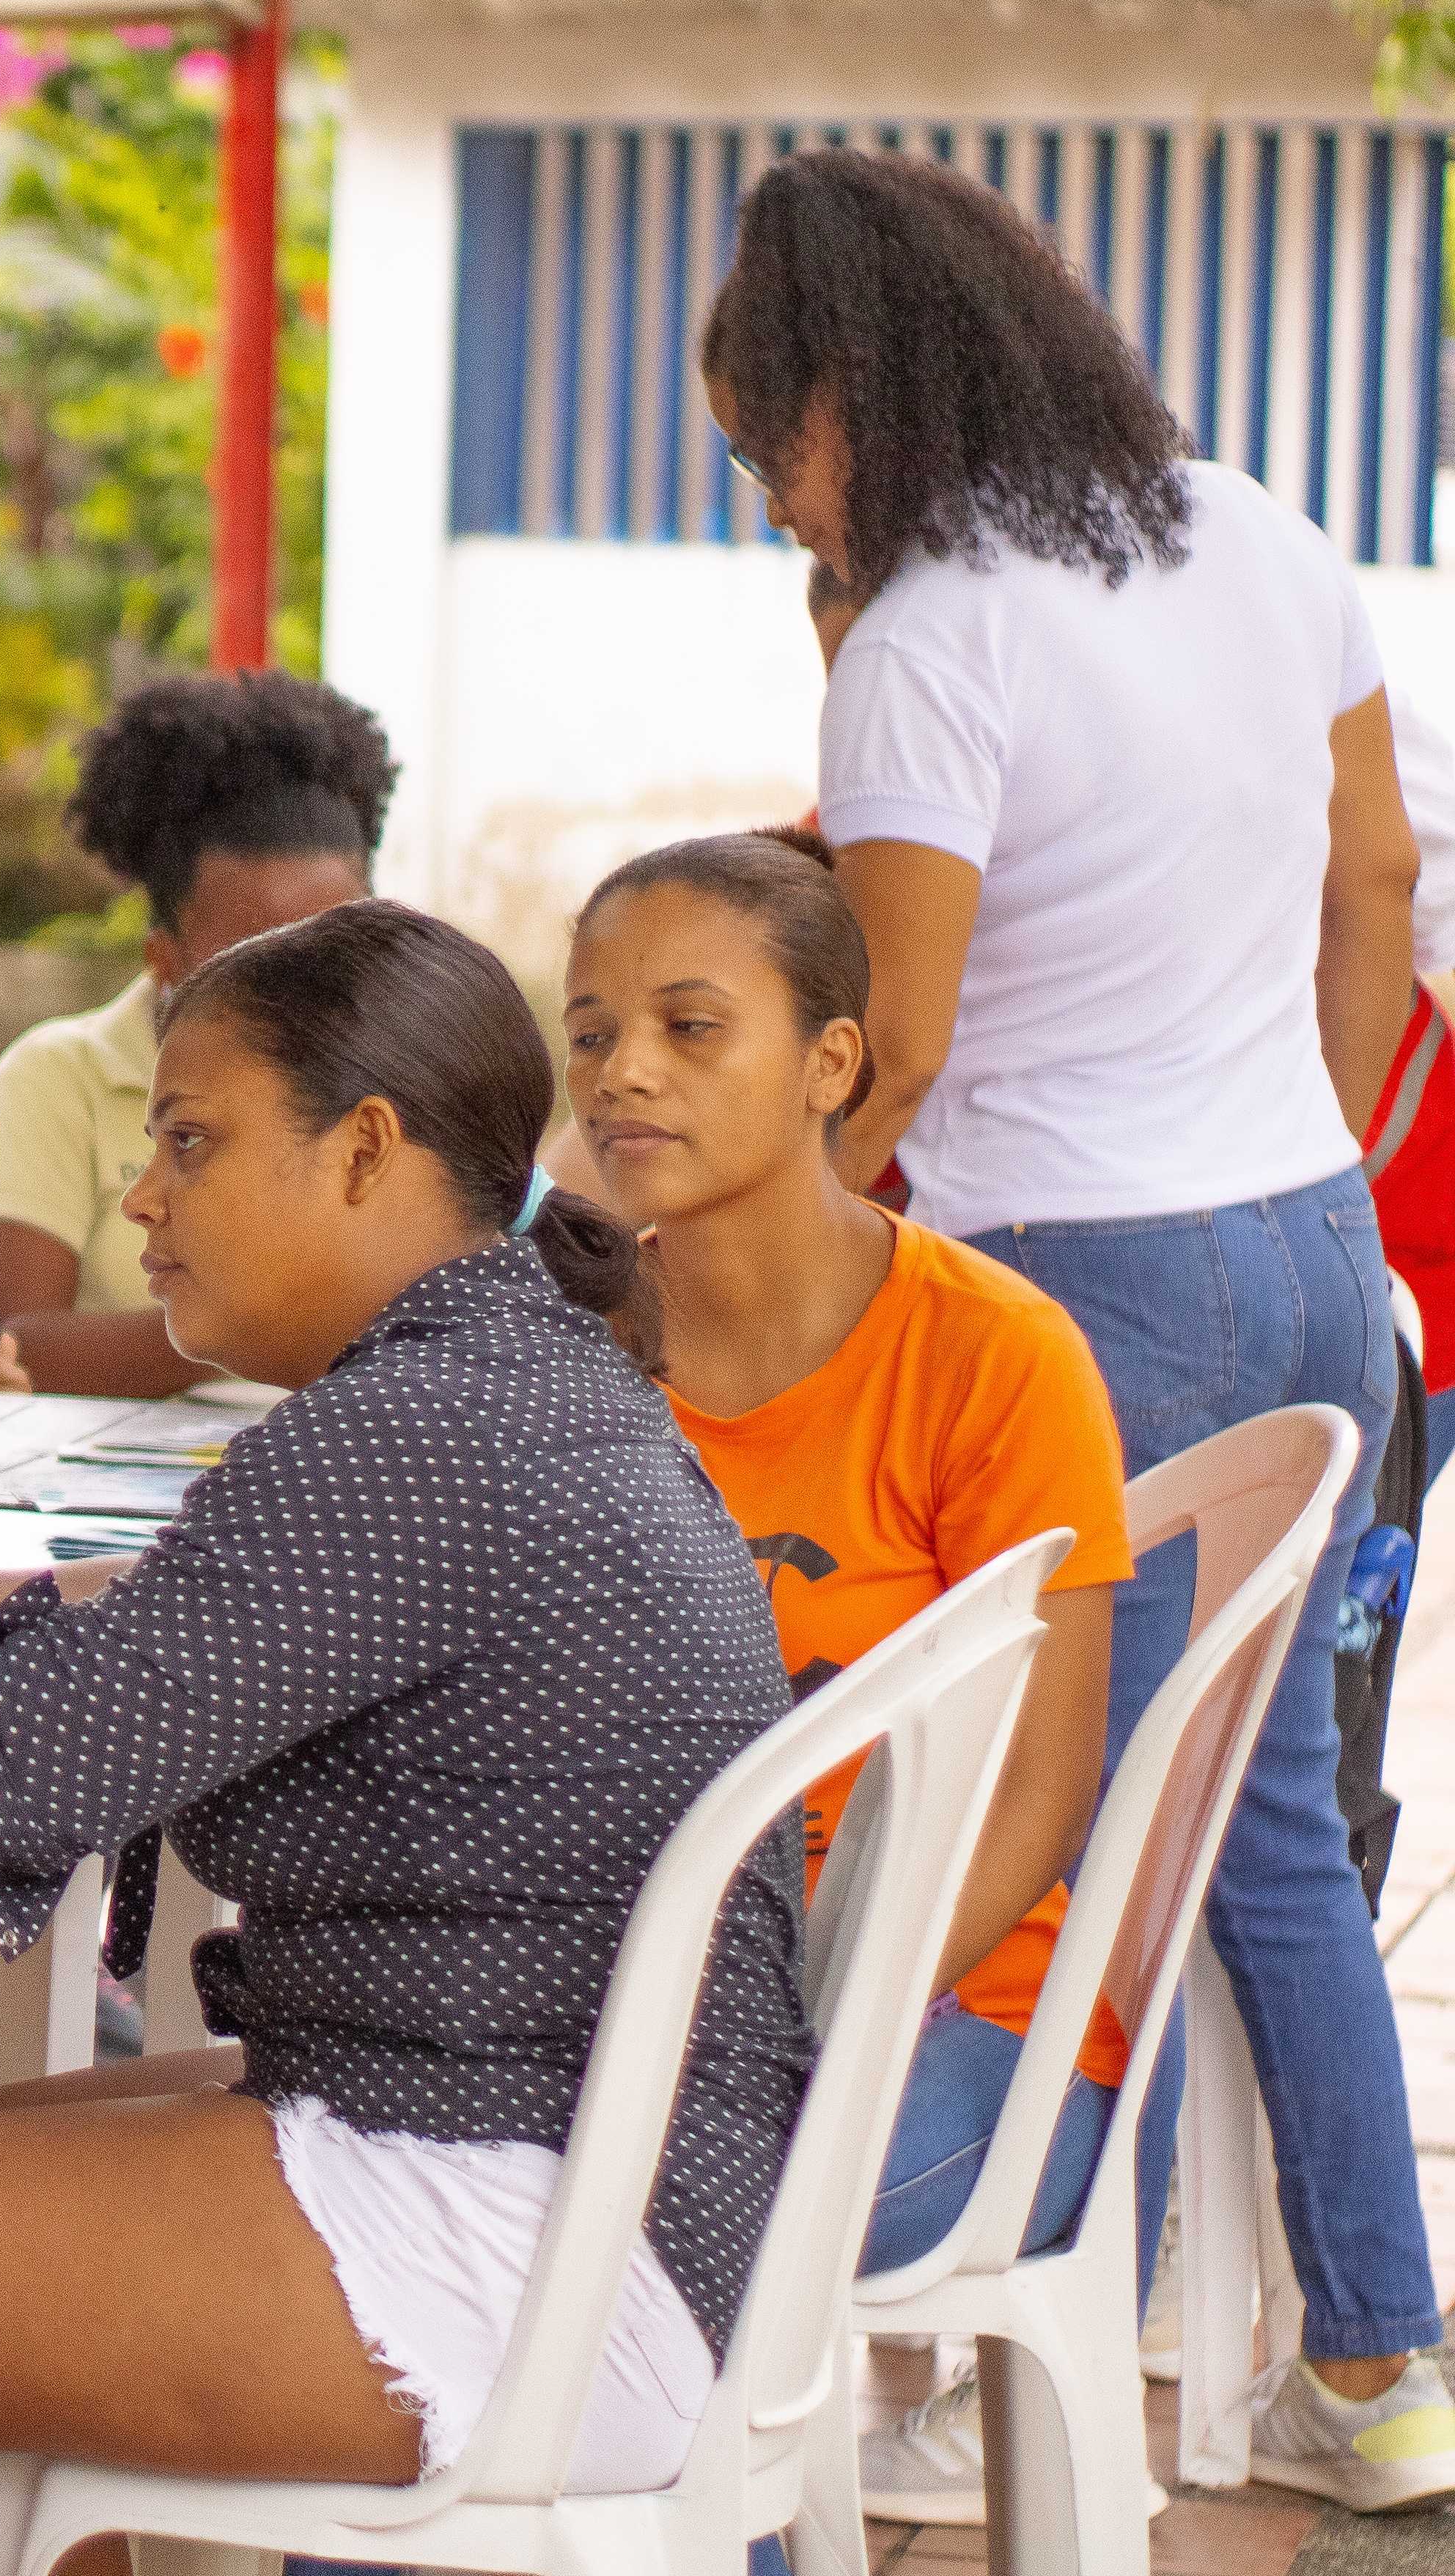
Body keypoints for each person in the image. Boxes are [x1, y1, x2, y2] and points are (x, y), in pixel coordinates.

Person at [707, 144, 1451, 2509]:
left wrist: (763, 1275)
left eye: (770, 446)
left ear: (858, 388)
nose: (771, 503)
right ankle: (1382, 2365)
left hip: (1078, 1287)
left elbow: (896, 1044)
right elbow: (1374, 884)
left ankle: (1024, 2373)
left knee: (1055, 1824)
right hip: (1313, 1252)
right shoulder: (1254, 531)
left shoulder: (933, 635)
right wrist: (1291, 1137)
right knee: (1258, 1826)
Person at [0, 898, 810, 2576]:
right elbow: (212, 1619)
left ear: (364, 1150)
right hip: (620, 2177)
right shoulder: (517, 1378)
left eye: (191, 1139)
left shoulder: (413, 1425)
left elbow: (16, 1761)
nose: (142, 1194)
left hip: (539, 2232)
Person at [563, 827, 1133, 2521]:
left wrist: (792, 2018)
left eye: (688, 1025)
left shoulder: (994, 1354)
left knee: (627, 2238)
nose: (625, 1071)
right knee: (416, 2221)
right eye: (591, 1031)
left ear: (831, 1064)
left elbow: (1040, 1792)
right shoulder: (560, 1351)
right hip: (620, 2010)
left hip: (962, 2015)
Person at [0, 671, 394, 1398]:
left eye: (339, 945)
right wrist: (277, 1319)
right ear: (164, 957)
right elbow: (14, 1349)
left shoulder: (409, 1081)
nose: (306, 988)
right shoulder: (64, 1078)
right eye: (256, 959)